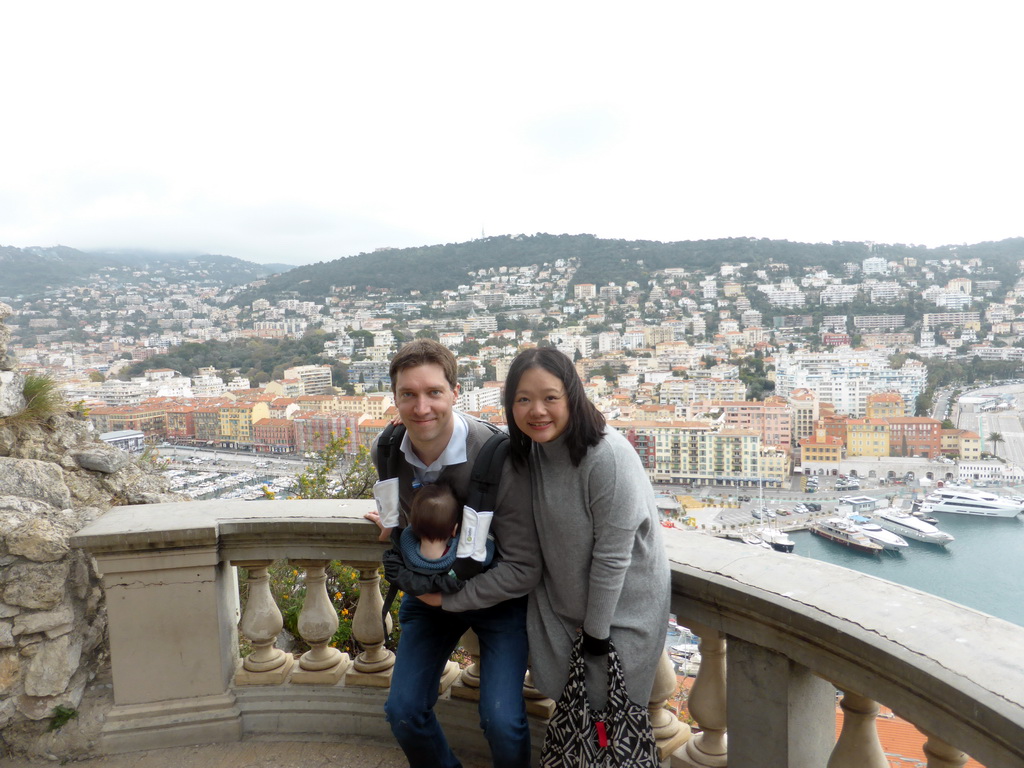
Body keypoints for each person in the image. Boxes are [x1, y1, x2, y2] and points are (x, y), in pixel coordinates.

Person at [365, 338, 540, 768]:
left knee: (503, 720)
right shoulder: (387, 452)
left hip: (495, 596)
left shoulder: (499, 456)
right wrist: (393, 524)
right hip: (430, 591)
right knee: (403, 711)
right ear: (395, 399)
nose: (421, 407)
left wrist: (448, 599)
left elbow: (524, 565)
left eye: (433, 392)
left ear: (455, 394)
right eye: (408, 394)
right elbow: (403, 511)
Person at [503, 346, 670, 711]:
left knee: (606, 728)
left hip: (619, 618)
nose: (537, 411)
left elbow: (612, 555)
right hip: (561, 609)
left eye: (550, 397)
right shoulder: (534, 450)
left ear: (572, 396)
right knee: (578, 726)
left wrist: (595, 636)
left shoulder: (607, 456)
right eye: (524, 399)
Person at [385, 481, 496, 597]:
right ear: (454, 530)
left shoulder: (406, 548)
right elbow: (485, 555)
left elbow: (404, 533)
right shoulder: (460, 558)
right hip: (455, 608)